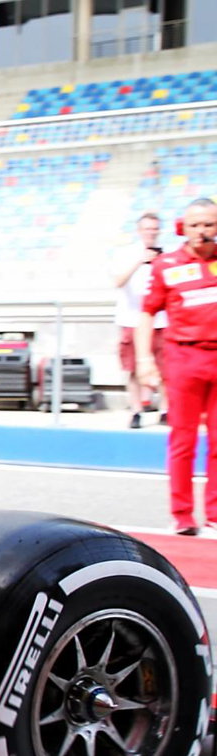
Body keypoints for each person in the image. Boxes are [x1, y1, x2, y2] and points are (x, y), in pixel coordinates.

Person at [140, 197, 217, 535]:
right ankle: (183, 515)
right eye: (196, 225)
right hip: (183, 357)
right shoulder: (166, 265)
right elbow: (146, 313)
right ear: (183, 228)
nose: (202, 231)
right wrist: (145, 360)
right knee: (183, 439)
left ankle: (214, 511)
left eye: (209, 225)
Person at [113, 211, 168, 428]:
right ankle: (136, 410)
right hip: (132, 319)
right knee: (134, 369)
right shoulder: (125, 253)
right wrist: (140, 260)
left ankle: (166, 409)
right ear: (139, 231)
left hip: (161, 320)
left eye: (154, 229)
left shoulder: (167, 255)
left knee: (165, 368)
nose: (151, 233)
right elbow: (118, 280)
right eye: (147, 229)